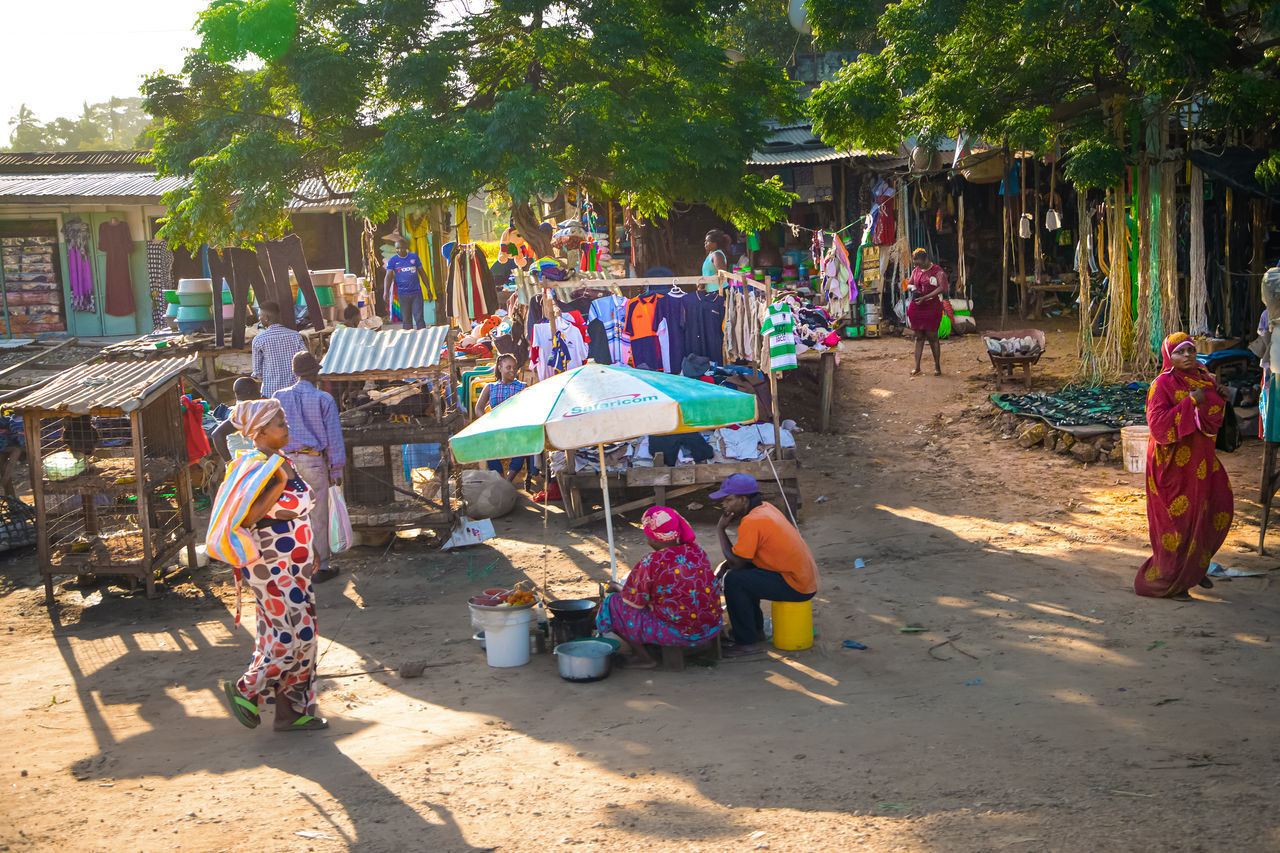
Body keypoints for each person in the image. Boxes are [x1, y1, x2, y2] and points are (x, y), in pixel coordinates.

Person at [212, 398, 327, 731]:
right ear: (260, 430)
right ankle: (245, 688)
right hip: (270, 564)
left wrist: (312, 548)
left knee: (305, 637)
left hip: (297, 561)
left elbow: (299, 511)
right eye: (280, 423)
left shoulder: (281, 459)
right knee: (288, 639)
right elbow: (246, 518)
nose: (287, 427)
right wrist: (276, 483)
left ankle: (289, 712)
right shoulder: (255, 466)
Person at [1135, 333, 1235, 600]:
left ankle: (1193, 567)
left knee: (1211, 508)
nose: (1188, 356)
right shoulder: (1162, 384)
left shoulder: (1203, 376)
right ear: (1170, 357)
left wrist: (1219, 396)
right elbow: (1158, 426)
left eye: (1191, 350)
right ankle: (1173, 582)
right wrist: (1190, 401)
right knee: (1177, 521)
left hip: (1200, 460)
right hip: (1172, 466)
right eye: (1181, 352)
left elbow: (1211, 415)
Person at [596, 506, 722, 668]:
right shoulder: (696, 551)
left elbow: (636, 601)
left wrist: (617, 587)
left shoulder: (652, 562)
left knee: (612, 604)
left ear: (654, 539)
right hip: (710, 625)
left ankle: (644, 658)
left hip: (680, 633)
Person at [712, 473, 818, 659]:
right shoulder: (766, 508)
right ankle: (755, 630)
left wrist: (721, 530)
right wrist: (725, 565)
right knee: (742, 576)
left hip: (796, 585)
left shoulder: (753, 521)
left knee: (735, 581)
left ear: (744, 499)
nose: (724, 505)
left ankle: (746, 643)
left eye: (728, 500)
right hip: (802, 578)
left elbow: (736, 563)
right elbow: (741, 558)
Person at [274, 351, 346, 584]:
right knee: (318, 514)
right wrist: (336, 470)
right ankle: (321, 566)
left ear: (295, 373)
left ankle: (294, 563)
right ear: (316, 372)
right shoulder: (323, 399)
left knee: (291, 514)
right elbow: (334, 438)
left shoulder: (279, 397)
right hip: (313, 461)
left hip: (285, 463)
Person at [473, 353, 532, 483]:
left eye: (515, 368)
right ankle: (501, 478)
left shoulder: (522, 387)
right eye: (508, 367)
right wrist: (487, 422)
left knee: (522, 448)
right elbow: (478, 408)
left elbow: (530, 408)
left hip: (516, 429)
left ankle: (507, 481)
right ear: (500, 368)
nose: (512, 370)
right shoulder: (490, 387)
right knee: (488, 449)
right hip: (496, 429)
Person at [906, 248, 949, 377]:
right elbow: (909, 284)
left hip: (931, 307)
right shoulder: (916, 271)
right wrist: (913, 288)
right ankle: (917, 367)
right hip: (917, 308)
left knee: (932, 337)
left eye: (918, 262)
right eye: (914, 263)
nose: (916, 265)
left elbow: (942, 288)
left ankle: (937, 367)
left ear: (925, 259)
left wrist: (925, 297)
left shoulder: (937, 271)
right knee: (918, 337)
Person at [251, 301, 307, 397]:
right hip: (293, 392)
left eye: (260, 317)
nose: (260, 320)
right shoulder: (295, 336)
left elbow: (257, 372)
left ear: (267, 318)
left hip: (271, 394)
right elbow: (305, 359)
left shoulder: (259, 339)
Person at [211, 377, 262, 462]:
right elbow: (217, 434)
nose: (259, 393)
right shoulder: (244, 412)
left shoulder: (237, 409)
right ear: (250, 392)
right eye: (257, 390)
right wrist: (229, 462)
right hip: (243, 463)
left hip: (245, 461)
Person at [384, 238, 430, 330]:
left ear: (406, 248)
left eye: (402, 248)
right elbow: (388, 277)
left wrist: (428, 289)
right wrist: (386, 292)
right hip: (403, 295)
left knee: (419, 319)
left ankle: (424, 340)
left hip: (416, 293)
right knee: (406, 321)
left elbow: (422, 273)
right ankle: (409, 342)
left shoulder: (414, 257)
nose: (399, 250)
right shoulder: (393, 260)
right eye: (397, 248)